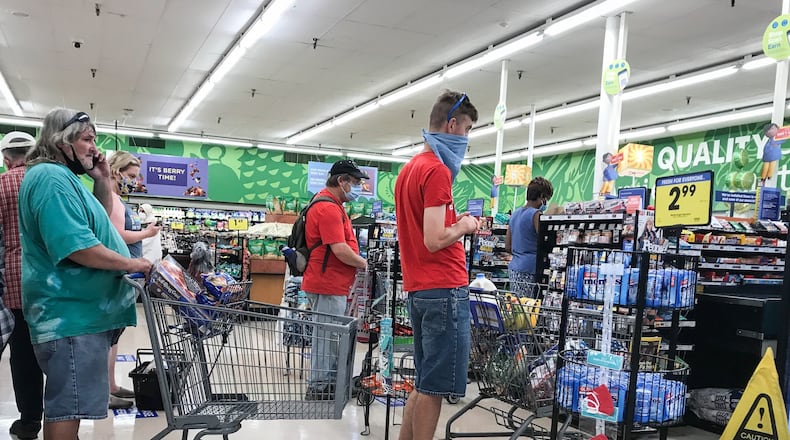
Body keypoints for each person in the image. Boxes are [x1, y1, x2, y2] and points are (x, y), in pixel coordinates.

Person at [18, 108, 152, 440]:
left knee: (70, 408)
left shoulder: (64, 178)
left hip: (78, 315)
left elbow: (99, 224)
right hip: (70, 315)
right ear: (60, 141)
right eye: (87, 139)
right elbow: (77, 247)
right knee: (67, 408)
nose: (95, 148)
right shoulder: (50, 178)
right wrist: (133, 264)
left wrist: (103, 180)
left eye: (95, 139)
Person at [394, 90, 479, 440]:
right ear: (452, 124)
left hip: (420, 288)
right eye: (468, 129)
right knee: (435, 387)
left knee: (424, 380)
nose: (467, 138)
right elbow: (433, 239)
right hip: (444, 289)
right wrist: (464, 225)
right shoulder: (437, 171)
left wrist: (451, 224)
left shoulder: (409, 169)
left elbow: (424, 231)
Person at [301, 159, 369, 400]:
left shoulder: (331, 203)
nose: (358, 187)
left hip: (330, 281)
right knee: (326, 338)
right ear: (341, 181)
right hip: (327, 283)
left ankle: (328, 383)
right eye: (355, 182)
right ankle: (319, 386)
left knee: (328, 336)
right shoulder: (328, 207)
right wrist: (364, 263)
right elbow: (340, 250)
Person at [105, 151, 160, 409]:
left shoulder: (118, 199)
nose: (134, 182)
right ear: (116, 171)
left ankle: (111, 386)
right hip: (118, 274)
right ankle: (105, 390)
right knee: (109, 335)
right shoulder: (112, 200)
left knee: (115, 336)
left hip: (126, 275)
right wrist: (146, 233)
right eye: (130, 176)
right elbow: (116, 236)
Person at [0, 131, 45, 439]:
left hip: (17, 283)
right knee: (59, 352)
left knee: (23, 354)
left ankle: (29, 420)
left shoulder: (1, 185)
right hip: (57, 283)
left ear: (6, 160)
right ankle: (64, 421)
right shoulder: (50, 181)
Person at [505, 177, 554, 297]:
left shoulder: (515, 213)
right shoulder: (537, 215)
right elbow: (544, 242)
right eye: (547, 199)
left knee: (518, 308)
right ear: (542, 197)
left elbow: (507, 246)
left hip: (515, 269)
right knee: (531, 308)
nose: (546, 202)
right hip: (531, 269)